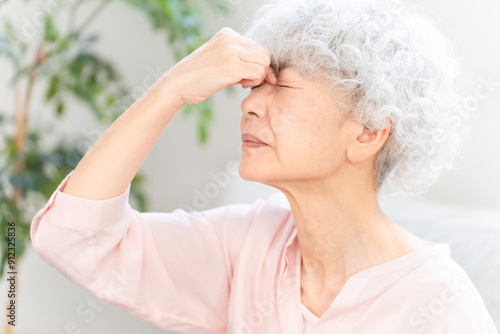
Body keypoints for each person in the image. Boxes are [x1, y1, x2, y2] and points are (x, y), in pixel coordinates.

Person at [30, 0, 498, 333]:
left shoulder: (440, 306)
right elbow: (74, 239)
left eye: (282, 86)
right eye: (254, 86)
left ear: (367, 133)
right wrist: (170, 89)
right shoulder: (249, 245)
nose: (250, 105)